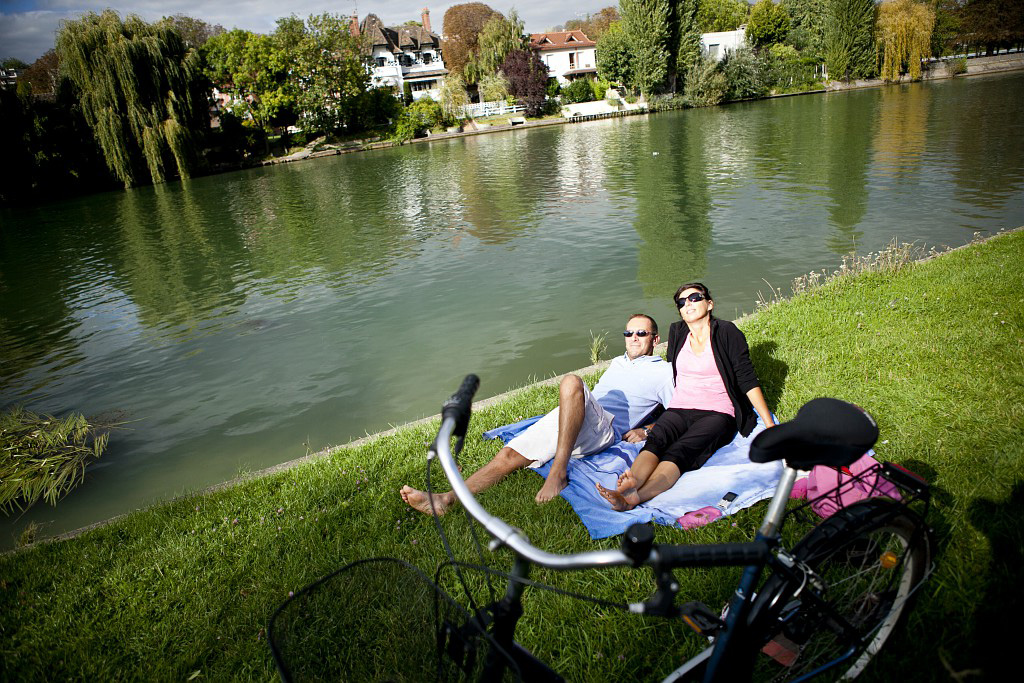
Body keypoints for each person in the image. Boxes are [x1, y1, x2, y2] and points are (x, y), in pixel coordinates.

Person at [400, 314, 675, 515]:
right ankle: (445, 500)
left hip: (605, 430)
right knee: (507, 456)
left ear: (655, 339)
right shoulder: (618, 362)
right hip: (578, 415)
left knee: (571, 382)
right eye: (629, 334)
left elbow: (680, 411)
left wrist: (649, 429)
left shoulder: (663, 371)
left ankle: (558, 472)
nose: (634, 338)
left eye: (641, 333)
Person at [597, 283, 776, 511]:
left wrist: (769, 424)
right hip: (680, 407)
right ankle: (630, 483)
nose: (688, 303)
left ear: (709, 304)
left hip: (717, 411)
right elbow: (674, 377)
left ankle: (637, 497)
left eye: (694, 297)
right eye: (682, 302)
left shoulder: (727, 331)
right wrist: (652, 424)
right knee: (656, 441)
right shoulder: (678, 332)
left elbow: (746, 379)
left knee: (681, 451)